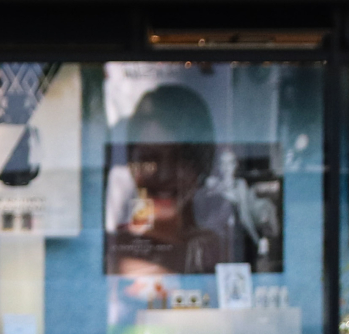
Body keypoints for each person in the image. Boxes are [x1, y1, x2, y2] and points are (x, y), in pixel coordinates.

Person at [104, 84, 278, 277]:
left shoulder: (220, 250)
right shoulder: (116, 250)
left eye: (181, 159)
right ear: (131, 164)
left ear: (202, 165)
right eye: (149, 158)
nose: (164, 176)